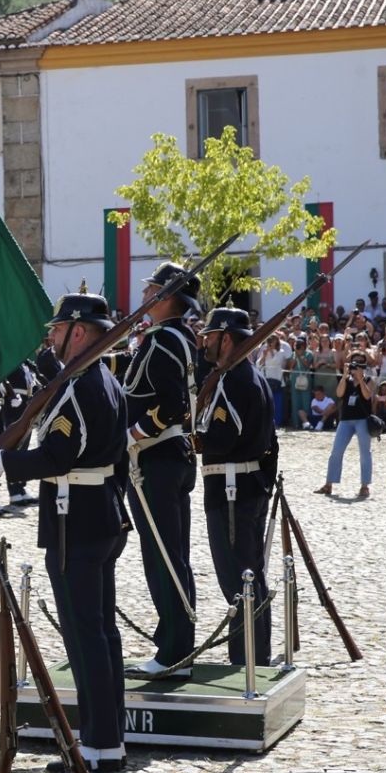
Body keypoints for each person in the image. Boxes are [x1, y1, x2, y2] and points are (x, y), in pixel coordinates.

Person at [0, 294, 129, 772]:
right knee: (102, 633)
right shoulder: (103, 380)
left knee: (87, 637)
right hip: (100, 514)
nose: (52, 337)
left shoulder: (82, 385)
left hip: (74, 521)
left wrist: (6, 463)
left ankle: (97, 746)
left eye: (58, 329)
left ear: (78, 332)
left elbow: (58, 456)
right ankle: (108, 740)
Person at [119, 262, 200, 677]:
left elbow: (171, 405)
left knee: (164, 557)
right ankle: (175, 639)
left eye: (151, 288)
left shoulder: (163, 342)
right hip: (171, 457)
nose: (144, 293)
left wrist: (133, 433)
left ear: (167, 296)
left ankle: (174, 653)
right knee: (172, 554)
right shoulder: (176, 338)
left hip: (157, 457)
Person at [193, 306, 275, 667]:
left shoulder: (234, 379)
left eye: (210, 337)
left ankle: (247, 661)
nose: (205, 343)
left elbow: (221, 439)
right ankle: (255, 655)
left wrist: (190, 438)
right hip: (246, 485)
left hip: (231, 491)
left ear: (226, 338)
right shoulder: (246, 375)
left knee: (239, 581)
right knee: (250, 577)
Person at [315, 351, 374, 499]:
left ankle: (365, 486)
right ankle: (329, 484)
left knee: (365, 452)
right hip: (346, 419)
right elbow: (339, 393)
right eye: (355, 362)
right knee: (336, 451)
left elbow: (367, 395)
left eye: (361, 362)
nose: (357, 364)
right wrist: (344, 376)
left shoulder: (369, 380)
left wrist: (360, 380)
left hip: (362, 419)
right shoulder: (346, 381)